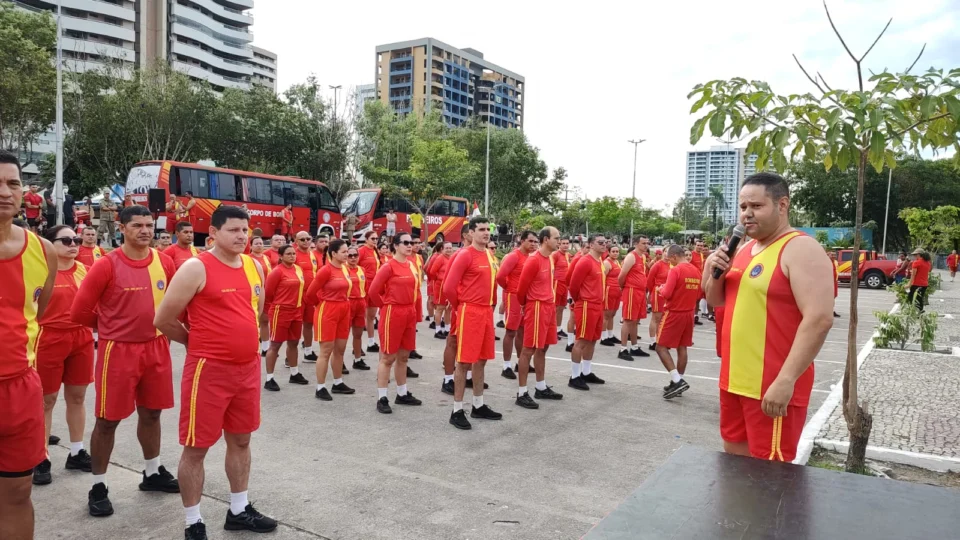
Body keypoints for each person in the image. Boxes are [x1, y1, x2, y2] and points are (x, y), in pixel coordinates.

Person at [153, 204, 276, 539]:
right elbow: (163, 319)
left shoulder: (254, 266)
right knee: (197, 447)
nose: (241, 236)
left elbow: (257, 312)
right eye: (233, 230)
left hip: (247, 368)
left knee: (241, 439)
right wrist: (198, 343)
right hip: (209, 371)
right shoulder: (196, 267)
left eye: (245, 229)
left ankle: (238, 509)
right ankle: (193, 520)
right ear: (215, 233)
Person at [704, 172, 834, 463]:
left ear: (782, 205)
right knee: (735, 464)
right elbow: (716, 300)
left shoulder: (800, 248)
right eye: (743, 207)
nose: (747, 214)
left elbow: (819, 318)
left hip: (771, 386)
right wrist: (713, 272)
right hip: (734, 381)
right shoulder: (744, 249)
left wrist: (786, 380)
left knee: (769, 479)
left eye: (756, 206)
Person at [71, 205, 179, 517]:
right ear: (122, 228)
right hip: (117, 351)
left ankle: (152, 472)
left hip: (156, 347)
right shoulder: (106, 265)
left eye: (149, 225)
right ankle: (99, 484)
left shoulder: (165, 262)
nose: (145, 231)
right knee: (107, 420)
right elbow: (78, 312)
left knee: (153, 414)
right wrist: (112, 328)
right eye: (137, 226)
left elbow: (176, 302)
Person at [0, 151, 57, 540]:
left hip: (19, 389)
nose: (5, 192)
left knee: (18, 493)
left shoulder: (43, 251)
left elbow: (37, 310)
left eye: (13, 183)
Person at [33, 225, 95, 485]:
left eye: (76, 240)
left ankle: (77, 450)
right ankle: (40, 457)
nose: (74, 244)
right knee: (46, 400)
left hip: (80, 338)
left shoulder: (85, 270)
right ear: (49, 244)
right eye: (66, 240)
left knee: (78, 397)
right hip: (49, 337)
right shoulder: (41, 271)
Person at [443, 217, 502, 429]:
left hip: (486, 311)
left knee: (482, 359)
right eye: (481, 229)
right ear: (471, 232)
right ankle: (456, 409)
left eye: (488, 229)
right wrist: (461, 307)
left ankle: (478, 404)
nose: (486, 233)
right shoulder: (465, 255)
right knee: (464, 361)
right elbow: (449, 287)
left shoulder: (488, 254)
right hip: (470, 311)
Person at [368, 233, 423, 414]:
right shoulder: (388, 266)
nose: (410, 245)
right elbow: (373, 291)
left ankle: (402, 393)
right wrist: (386, 305)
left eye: (412, 243)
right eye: (406, 243)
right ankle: (382, 397)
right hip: (393, 312)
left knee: (404, 356)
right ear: (396, 245)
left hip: (409, 312)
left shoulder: (412, 265)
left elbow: (416, 291)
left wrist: (416, 313)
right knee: (388, 357)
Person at [514, 226, 564, 409]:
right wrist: (527, 307)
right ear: (546, 239)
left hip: (548, 306)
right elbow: (521, 290)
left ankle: (540, 386)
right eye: (556, 238)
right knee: (528, 349)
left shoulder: (549, 258)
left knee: (543, 348)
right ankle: (521, 392)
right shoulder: (533, 260)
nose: (559, 241)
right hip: (536, 306)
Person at [304, 239, 356, 400]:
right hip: (328, 310)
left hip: (343, 309)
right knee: (326, 350)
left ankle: (338, 382)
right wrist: (322, 305)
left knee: (340, 349)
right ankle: (320, 387)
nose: (347, 254)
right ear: (334, 254)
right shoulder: (325, 271)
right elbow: (310, 294)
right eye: (344, 252)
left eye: (348, 251)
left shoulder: (345, 269)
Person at [654, 245, 701, 399]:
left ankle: (677, 380)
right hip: (689, 313)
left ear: (674, 256)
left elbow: (667, 293)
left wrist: (660, 289)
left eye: (669, 257)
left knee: (660, 347)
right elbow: (699, 292)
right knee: (682, 348)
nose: (668, 260)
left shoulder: (676, 270)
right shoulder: (695, 270)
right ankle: (677, 381)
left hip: (674, 313)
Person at [262, 244, 309, 390]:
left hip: (296, 310)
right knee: (275, 344)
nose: (292, 256)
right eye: (288, 254)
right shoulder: (277, 272)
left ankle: (294, 373)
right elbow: (268, 293)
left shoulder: (298, 269)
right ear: (281, 256)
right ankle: (269, 378)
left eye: (293, 253)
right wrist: (271, 310)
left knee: (294, 342)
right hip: (280, 311)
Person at [568, 234, 609, 391]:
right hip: (586, 304)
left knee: (592, 339)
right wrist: (581, 301)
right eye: (600, 242)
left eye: (605, 242)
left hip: (597, 305)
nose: (604, 245)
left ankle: (586, 371)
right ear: (591, 245)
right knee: (582, 340)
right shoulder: (585, 261)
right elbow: (573, 285)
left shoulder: (599, 261)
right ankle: (574, 376)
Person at [496, 230, 537, 378]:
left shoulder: (531, 257)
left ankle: (521, 363)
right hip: (513, 297)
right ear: (522, 241)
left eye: (535, 242)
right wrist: (509, 288)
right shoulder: (513, 256)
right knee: (511, 331)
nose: (533, 244)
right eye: (530, 241)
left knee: (522, 331)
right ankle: (506, 366)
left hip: (526, 298)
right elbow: (500, 276)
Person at [618, 235, 652, 360]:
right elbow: (622, 275)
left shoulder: (642, 257)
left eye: (647, 243)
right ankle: (622, 349)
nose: (646, 245)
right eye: (644, 243)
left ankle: (634, 346)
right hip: (631, 290)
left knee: (635, 320)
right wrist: (624, 287)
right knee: (628, 319)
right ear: (636, 243)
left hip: (640, 291)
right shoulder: (631, 256)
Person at [293, 231, 320, 362]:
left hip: (311, 295)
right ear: (296, 241)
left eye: (308, 238)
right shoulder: (293, 254)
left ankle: (308, 352)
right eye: (302, 239)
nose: (305, 241)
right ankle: (290, 356)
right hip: (297, 294)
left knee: (309, 323)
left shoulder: (313, 255)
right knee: (296, 325)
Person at [346, 245, 371, 371]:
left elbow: (366, 288)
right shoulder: (343, 269)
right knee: (343, 335)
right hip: (347, 303)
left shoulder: (362, 270)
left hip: (360, 303)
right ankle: (340, 361)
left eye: (355, 255)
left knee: (358, 334)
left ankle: (357, 360)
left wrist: (365, 305)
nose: (353, 258)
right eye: (350, 255)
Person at [563, 243, 591, 352]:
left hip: (585, 294)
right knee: (573, 317)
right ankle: (570, 342)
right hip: (577, 293)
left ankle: (578, 340)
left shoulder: (592, 259)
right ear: (582, 248)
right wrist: (571, 295)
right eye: (587, 247)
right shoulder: (578, 259)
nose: (589, 250)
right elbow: (569, 277)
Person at [358, 231, 381, 352]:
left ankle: (371, 342)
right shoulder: (361, 251)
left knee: (371, 316)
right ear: (366, 239)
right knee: (361, 316)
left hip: (374, 286)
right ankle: (357, 345)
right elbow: (353, 266)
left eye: (376, 238)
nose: (375, 240)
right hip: (363, 285)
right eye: (372, 238)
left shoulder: (375, 251)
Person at [646, 249, 670, 353]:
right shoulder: (657, 265)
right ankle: (653, 341)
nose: (667, 255)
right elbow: (649, 281)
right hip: (658, 292)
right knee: (656, 318)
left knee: (663, 319)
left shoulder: (672, 265)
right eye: (666, 252)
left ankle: (660, 339)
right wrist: (653, 292)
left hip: (667, 294)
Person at [428, 242, 453, 339]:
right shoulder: (440, 258)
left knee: (448, 308)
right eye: (446, 248)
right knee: (440, 308)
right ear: (442, 249)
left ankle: (447, 329)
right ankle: (438, 330)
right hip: (440, 286)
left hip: (449, 287)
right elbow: (432, 272)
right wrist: (439, 279)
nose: (449, 250)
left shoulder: (451, 258)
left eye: (450, 248)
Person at [601, 245, 622, 347]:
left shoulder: (617, 262)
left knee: (612, 314)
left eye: (617, 251)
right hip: (609, 290)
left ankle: (610, 335)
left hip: (616, 291)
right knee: (606, 315)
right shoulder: (606, 263)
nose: (615, 253)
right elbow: (602, 278)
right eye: (613, 251)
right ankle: (603, 337)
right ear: (608, 252)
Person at [553, 237, 571, 338]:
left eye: (567, 243)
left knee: (561, 308)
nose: (565, 245)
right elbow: (551, 269)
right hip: (557, 283)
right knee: (554, 308)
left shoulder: (568, 255)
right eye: (563, 243)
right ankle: (551, 330)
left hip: (565, 284)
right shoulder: (555, 255)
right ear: (559, 245)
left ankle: (558, 329)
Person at [690, 240, 707, 325]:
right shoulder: (691, 255)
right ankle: (690, 317)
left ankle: (695, 316)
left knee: (698, 299)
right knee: (691, 300)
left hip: (700, 280)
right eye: (698, 245)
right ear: (694, 245)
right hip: (691, 280)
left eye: (701, 245)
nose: (700, 247)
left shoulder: (701, 255)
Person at [828, 250, 840, 318]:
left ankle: (832, 310)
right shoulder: (827, 262)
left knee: (833, 297)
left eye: (834, 255)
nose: (833, 256)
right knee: (828, 298)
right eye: (832, 255)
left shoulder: (835, 262)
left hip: (835, 282)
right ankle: (829, 311)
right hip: (829, 283)